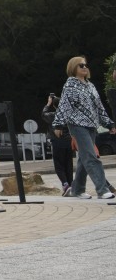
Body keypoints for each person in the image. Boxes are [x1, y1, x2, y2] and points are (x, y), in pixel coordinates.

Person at [52, 56, 116, 199]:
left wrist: (109, 123)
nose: (85, 67)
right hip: (77, 125)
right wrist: (58, 124)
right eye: (81, 65)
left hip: (92, 125)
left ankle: (77, 190)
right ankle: (102, 189)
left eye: (86, 65)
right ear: (73, 68)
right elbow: (64, 105)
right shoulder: (70, 84)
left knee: (83, 158)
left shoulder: (90, 85)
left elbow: (99, 107)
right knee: (91, 156)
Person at [43, 92, 73, 196]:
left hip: (57, 142)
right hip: (69, 142)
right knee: (69, 164)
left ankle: (65, 185)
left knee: (59, 166)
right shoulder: (68, 115)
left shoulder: (52, 115)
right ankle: (71, 185)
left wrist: (48, 103)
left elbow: (43, 114)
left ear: (54, 105)